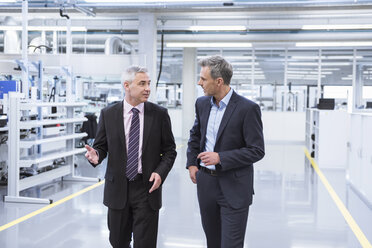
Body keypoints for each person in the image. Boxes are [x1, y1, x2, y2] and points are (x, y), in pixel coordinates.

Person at [85, 65, 177, 248]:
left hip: (147, 188)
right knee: (118, 242)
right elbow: (101, 146)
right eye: (142, 83)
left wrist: (160, 172)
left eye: (149, 83)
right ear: (126, 86)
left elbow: (169, 150)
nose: (148, 88)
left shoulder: (159, 114)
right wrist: (97, 155)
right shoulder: (108, 114)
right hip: (118, 188)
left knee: (145, 244)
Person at [186, 55, 265, 248]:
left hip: (234, 186)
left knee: (231, 244)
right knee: (212, 242)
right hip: (206, 184)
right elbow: (195, 135)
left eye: (203, 79)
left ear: (219, 81)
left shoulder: (248, 108)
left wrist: (221, 157)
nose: (199, 82)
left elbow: (257, 150)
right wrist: (191, 164)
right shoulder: (202, 104)